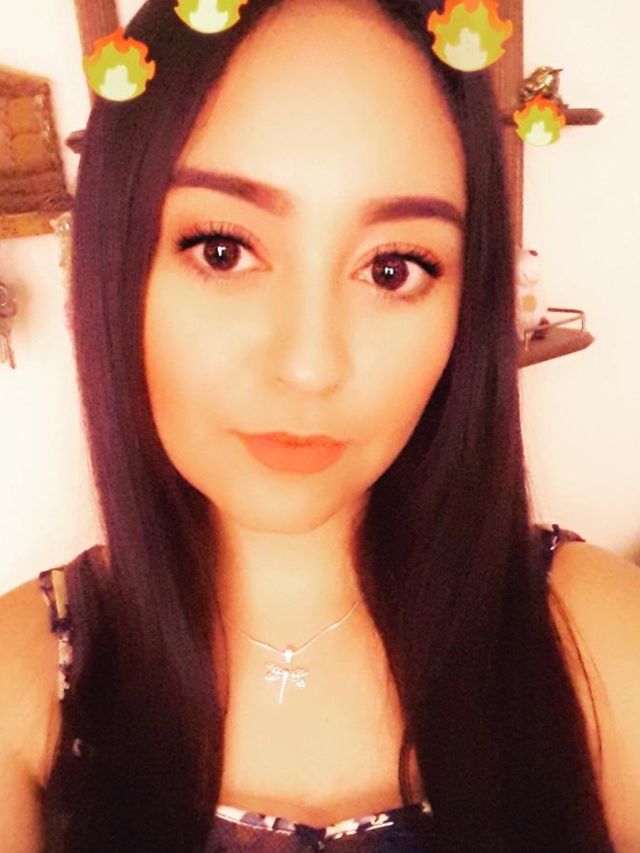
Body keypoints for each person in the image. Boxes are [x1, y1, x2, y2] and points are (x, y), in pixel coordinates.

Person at [1, 0, 639, 850]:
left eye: (393, 267)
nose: (309, 365)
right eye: (223, 249)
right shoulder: (19, 681)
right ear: (114, 263)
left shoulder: (601, 637)